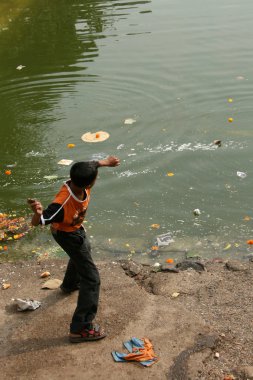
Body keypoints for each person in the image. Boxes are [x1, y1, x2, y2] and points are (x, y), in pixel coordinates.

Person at [27, 155, 120, 343]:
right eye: (96, 176)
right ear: (91, 183)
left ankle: (69, 285)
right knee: (92, 279)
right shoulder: (61, 203)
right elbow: (40, 222)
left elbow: (92, 164)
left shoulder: (79, 179)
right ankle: (80, 329)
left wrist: (106, 163)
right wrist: (37, 214)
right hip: (66, 235)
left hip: (75, 230)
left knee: (83, 250)